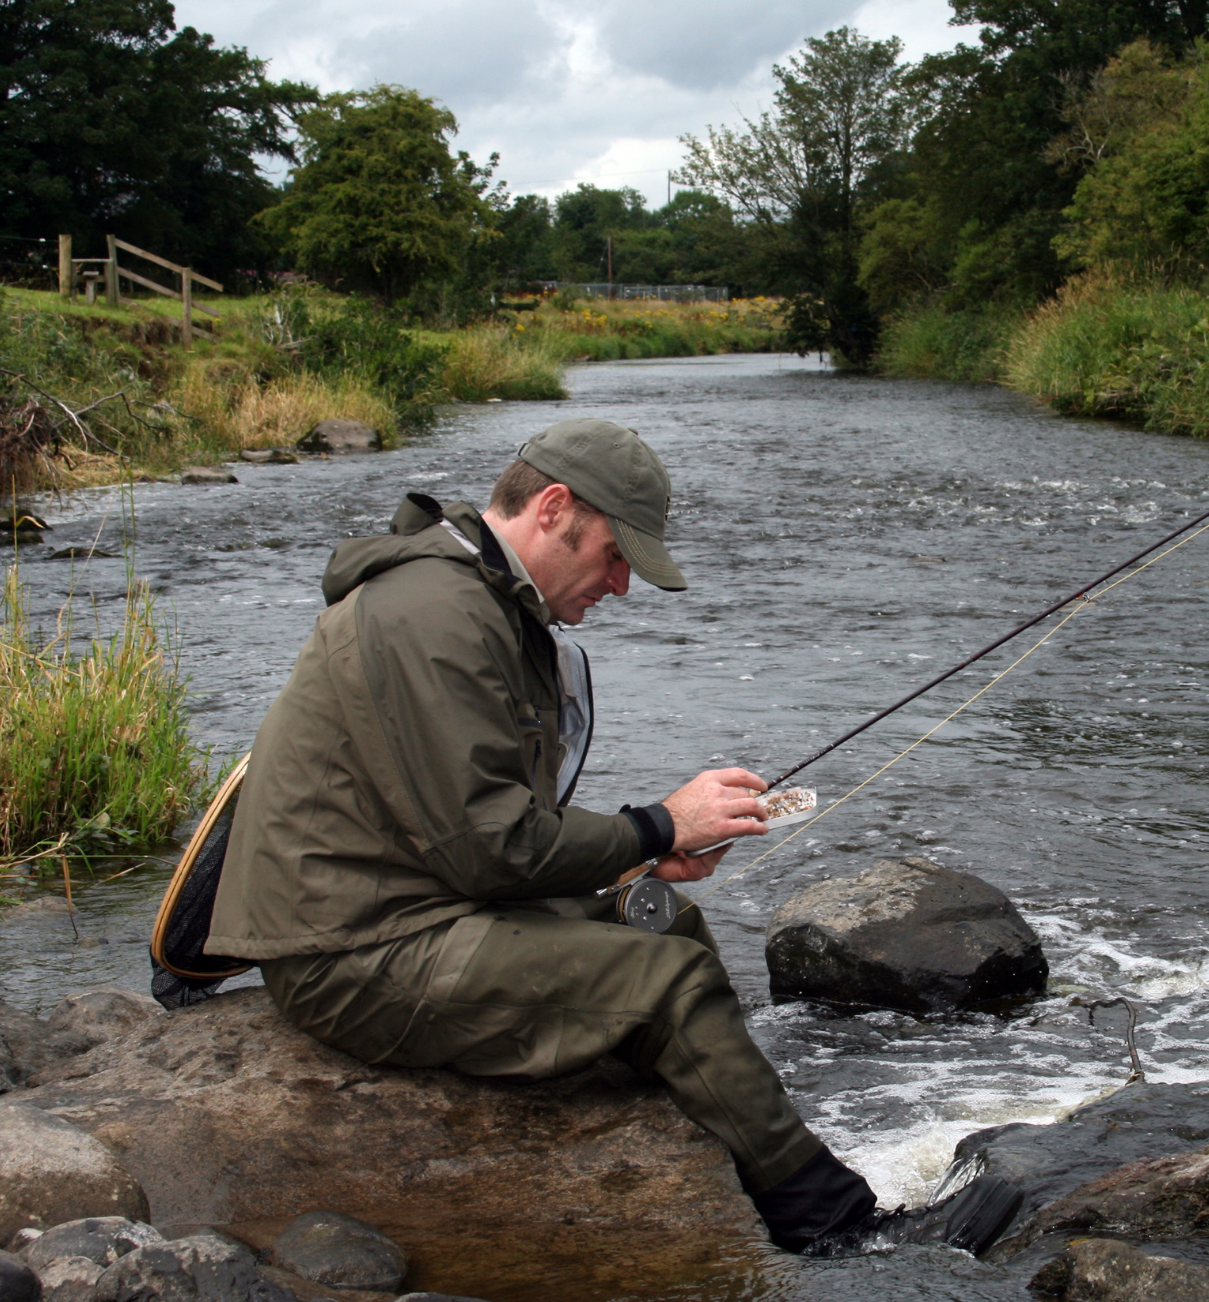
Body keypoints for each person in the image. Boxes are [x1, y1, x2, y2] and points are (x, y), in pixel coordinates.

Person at [204, 418, 966, 1253]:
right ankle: (837, 1227)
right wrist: (660, 823)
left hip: (413, 902)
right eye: (615, 555)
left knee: (657, 919)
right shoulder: (435, 614)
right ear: (555, 508)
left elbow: (478, 831)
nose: (622, 585)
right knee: (668, 983)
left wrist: (645, 850)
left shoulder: (479, 601)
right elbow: (489, 848)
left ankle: (726, 1118)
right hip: (350, 950)